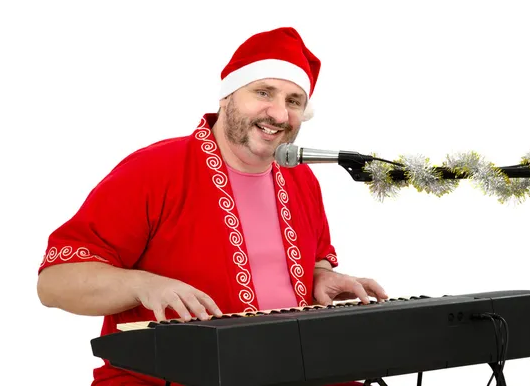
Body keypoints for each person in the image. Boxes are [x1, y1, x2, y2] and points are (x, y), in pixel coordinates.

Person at [37, 26, 388, 386]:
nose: (279, 115)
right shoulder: (154, 169)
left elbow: (313, 260)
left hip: (291, 369)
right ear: (227, 97)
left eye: (293, 101)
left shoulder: (301, 179)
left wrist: (320, 277)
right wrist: (141, 284)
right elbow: (54, 282)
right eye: (263, 92)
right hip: (166, 377)